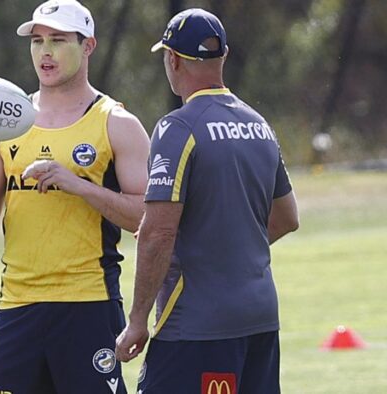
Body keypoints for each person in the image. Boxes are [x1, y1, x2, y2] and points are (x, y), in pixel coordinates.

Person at [0, 1, 150, 393]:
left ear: (88, 46)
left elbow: (148, 216)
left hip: (87, 305)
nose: (45, 51)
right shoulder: (0, 124)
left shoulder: (117, 124)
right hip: (17, 307)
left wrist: (79, 185)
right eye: (37, 41)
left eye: (58, 40)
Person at [114, 8, 299, 394]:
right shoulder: (258, 125)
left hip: (197, 327)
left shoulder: (177, 127)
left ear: (173, 59)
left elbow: (157, 233)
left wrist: (137, 320)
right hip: (261, 316)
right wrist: (231, 253)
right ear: (224, 57)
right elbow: (286, 218)